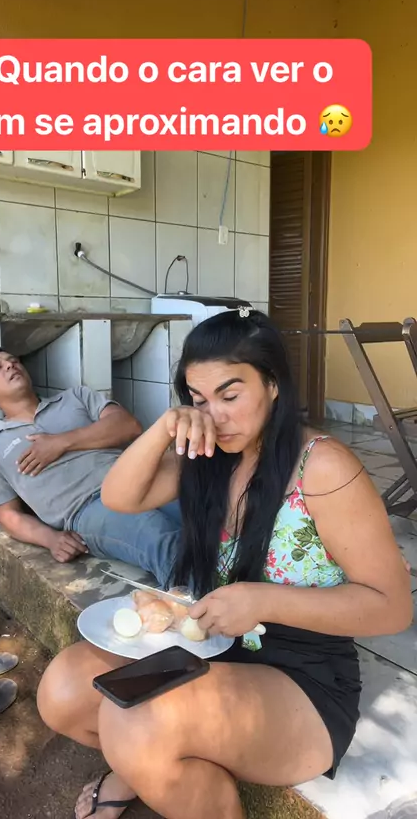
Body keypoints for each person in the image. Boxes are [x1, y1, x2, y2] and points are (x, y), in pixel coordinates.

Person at [36, 310, 412, 819]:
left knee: (135, 723)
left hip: (303, 677)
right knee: (62, 690)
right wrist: (165, 427)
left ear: (273, 384)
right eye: (199, 400)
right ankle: (155, 767)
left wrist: (262, 601)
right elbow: (119, 497)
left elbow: (392, 608)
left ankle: (149, 762)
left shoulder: (323, 467)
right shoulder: (206, 454)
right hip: (210, 649)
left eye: (230, 396)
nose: (214, 416)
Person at [0, 347, 181, 576]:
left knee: (201, 514)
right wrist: (50, 539)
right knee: (158, 535)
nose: (10, 366)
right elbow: (8, 514)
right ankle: (196, 596)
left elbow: (128, 426)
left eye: (13, 360)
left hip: (134, 480)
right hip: (86, 508)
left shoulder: (75, 397)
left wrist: (61, 442)